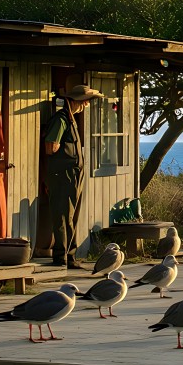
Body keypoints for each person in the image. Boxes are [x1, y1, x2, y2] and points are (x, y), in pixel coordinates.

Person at [43, 84, 104, 268]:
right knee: (62, 216)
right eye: (85, 101)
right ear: (77, 101)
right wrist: (62, 151)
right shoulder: (61, 120)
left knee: (72, 217)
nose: (86, 105)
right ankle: (62, 258)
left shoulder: (70, 119)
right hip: (63, 175)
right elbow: (50, 146)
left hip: (73, 175)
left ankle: (70, 255)